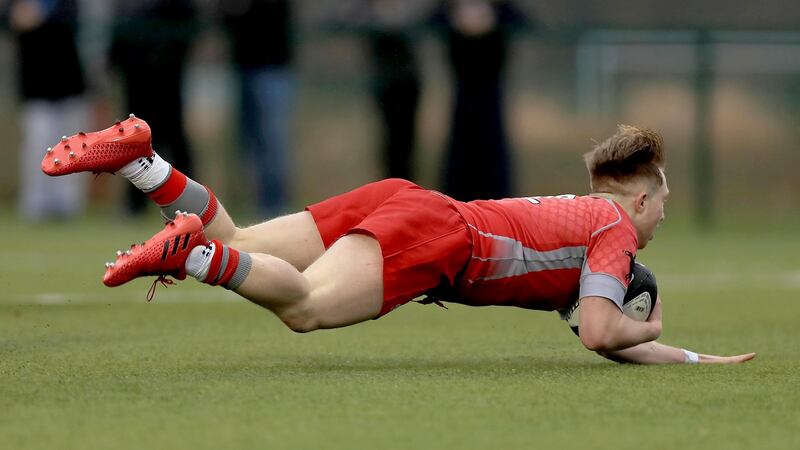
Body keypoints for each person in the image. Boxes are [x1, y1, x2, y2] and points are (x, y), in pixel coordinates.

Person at [41, 116, 755, 365]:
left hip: (411, 202)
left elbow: (597, 325)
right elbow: (601, 333)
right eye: (660, 204)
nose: (659, 219)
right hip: (439, 237)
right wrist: (651, 324)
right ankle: (191, 255)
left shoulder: (587, 218)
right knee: (306, 309)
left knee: (243, 236)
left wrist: (693, 355)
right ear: (637, 198)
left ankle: (139, 159)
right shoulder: (614, 230)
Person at [109, 0, 198, 215]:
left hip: (166, 72)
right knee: (135, 138)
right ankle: (135, 202)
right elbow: (121, 27)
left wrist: (166, 51)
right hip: (135, 73)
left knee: (173, 136)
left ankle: (186, 200)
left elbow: (187, 26)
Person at [3, 0, 89, 221]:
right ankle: (35, 203)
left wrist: (42, 15)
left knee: (72, 147)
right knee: (37, 144)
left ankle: (67, 204)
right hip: (35, 83)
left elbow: (76, 20)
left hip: (68, 80)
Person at [219, 0, 294, 217]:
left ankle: (275, 204)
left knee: (272, 139)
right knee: (247, 140)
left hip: (273, 66)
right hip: (242, 64)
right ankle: (251, 200)